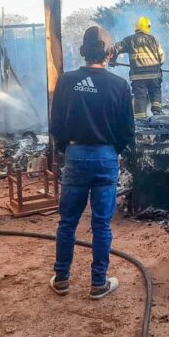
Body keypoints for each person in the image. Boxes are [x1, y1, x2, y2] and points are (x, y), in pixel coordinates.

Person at [49, 26, 135, 300]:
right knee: (101, 224)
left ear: (83, 52)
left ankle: (61, 278)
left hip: (75, 156)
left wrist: (66, 149)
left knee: (67, 223)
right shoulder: (120, 85)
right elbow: (127, 130)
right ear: (109, 53)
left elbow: (56, 124)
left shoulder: (66, 81)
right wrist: (113, 151)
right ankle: (98, 282)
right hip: (106, 157)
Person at [109, 16, 166, 119]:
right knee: (155, 91)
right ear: (148, 27)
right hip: (154, 75)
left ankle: (141, 119)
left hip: (138, 77)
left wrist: (112, 61)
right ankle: (157, 112)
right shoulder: (154, 40)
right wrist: (157, 66)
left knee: (140, 96)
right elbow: (161, 57)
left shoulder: (130, 39)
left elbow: (115, 48)